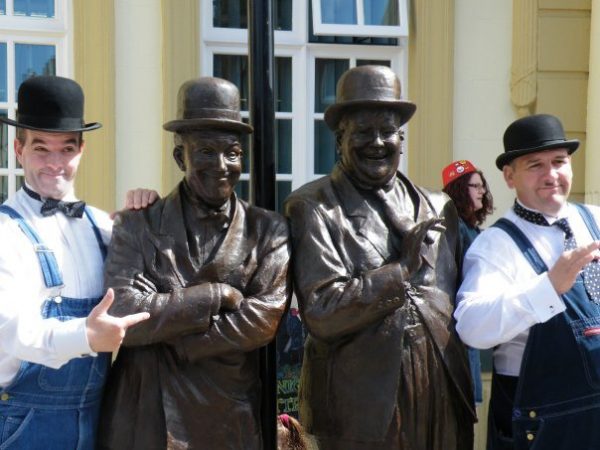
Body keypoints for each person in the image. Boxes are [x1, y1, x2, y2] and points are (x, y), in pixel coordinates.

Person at [284, 65, 475, 450]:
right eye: (363, 131)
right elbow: (322, 311)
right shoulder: (313, 206)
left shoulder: (439, 206)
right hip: (359, 406)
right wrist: (400, 270)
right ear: (340, 139)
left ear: (401, 138)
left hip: (440, 390)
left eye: (387, 131)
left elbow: (461, 298)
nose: (377, 142)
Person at [97, 76, 292, 449]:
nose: (221, 165)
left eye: (232, 153)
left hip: (228, 416)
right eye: (205, 151)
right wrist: (214, 296)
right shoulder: (137, 224)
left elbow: (262, 320)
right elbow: (122, 311)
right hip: (149, 415)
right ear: (179, 156)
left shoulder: (270, 231)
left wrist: (171, 337)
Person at [0, 75, 152, 449]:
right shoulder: (4, 232)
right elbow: (8, 331)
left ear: (82, 150)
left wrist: (150, 217)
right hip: (24, 424)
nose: (55, 163)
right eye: (41, 148)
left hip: (100, 418)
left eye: (66, 148)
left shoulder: (105, 227)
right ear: (19, 150)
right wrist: (84, 336)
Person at [455, 113, 600, 450]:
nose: (551, 175)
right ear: (509, 176)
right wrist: (547, 288)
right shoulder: (495, 245)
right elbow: (471, 328)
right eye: (535, 165)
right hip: (543, 428)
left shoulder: (595, 219)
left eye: (559, 162)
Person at [442, 159, 494, 404]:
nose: (482, 191)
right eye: (475, 186)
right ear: (459, 190)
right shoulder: (453, 227)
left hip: (469, 324)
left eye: (482, 185)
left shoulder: (472, 229)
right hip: (455, 328)